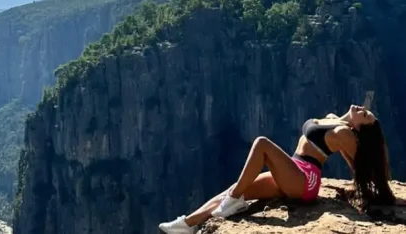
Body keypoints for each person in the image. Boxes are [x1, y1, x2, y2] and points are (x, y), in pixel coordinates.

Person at [159, 104, 396, 234]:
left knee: (262, 144)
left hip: (306, 179)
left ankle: (233, 201)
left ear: (359, 128)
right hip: (293, 170)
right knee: (236, 187)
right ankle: (188, 224)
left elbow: (358, 164)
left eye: (364, 115)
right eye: (364, 110)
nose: (361, 108)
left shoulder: (345, 135)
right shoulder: (336, 119)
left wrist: (381, 188)